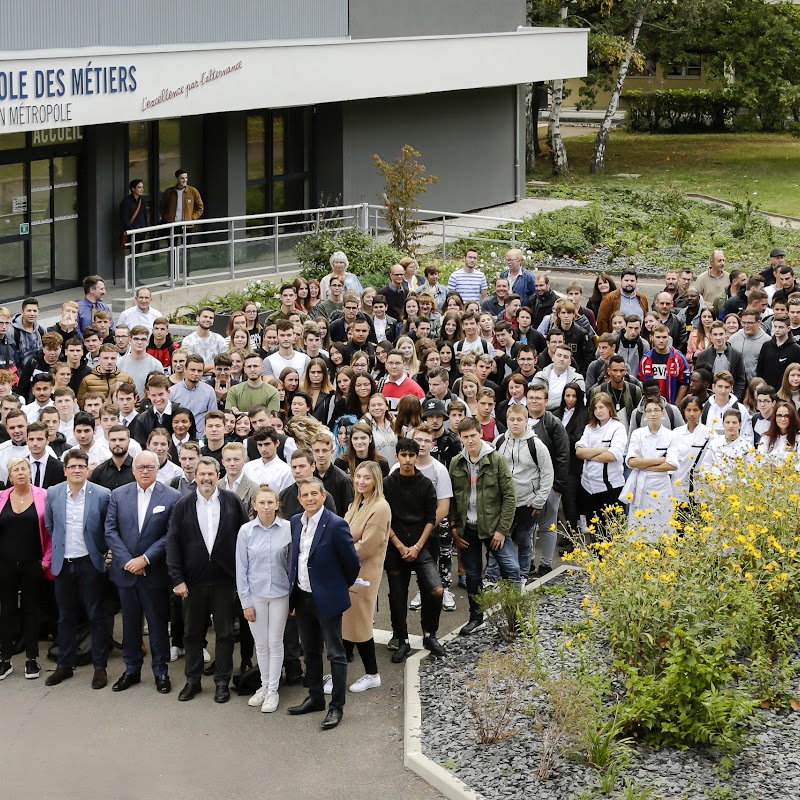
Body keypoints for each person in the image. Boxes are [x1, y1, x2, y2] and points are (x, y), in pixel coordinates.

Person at [167, 457, 249, 704]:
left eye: (210, 474)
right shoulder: (183, 505)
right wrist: (177, 579)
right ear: (195, 475)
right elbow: (173, 543)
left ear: (218, 474)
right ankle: (192, 681)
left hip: (225, 581)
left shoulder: (232, 501)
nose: (206, 478)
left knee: (224, 634)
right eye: (201, 474)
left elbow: (244, 538)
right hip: (193, 582)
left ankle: (222, 682)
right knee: (192, 632)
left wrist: (241, 578)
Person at [287, 477, 360, 730]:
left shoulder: (336, 524)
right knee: (310, 651)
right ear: (299, 499)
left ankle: (336, 707)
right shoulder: (295, 522)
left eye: (314, 494)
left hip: (327, 599)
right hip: (303, 597)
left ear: (323, 495)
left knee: (336, 654)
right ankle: (316, 697)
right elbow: (295, 560)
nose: (309, 498)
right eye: (305, 495)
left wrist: (336, 588)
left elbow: (352, 564)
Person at [104, 450, 180, 694]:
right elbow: (110, 531)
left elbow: (170, 534)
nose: (145, 471)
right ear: (133, 469)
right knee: (130, 624)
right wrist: (128, 561)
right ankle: (132, 669)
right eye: (141, 467)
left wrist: (145, 559)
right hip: (126, 572)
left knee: (157, 624)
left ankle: (160, 671)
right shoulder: (118, 495)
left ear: (158, 469)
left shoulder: (171, 496)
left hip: (154, 572)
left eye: (150, 467)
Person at [44, 449, 112, 689]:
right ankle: (65, 665)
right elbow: (51, 525)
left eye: (81, 466)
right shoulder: (53, 493)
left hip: (89, 563)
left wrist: (101, 551)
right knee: (65, 617)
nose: (76, 470)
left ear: (87, 469)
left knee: (95, 615)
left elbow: (107, 528)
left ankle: (100, 667)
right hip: (63, 563)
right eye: (72, 466)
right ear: (65, 470)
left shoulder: (102, 494)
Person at [449, 417, 518, 635]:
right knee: (472, 575)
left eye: (473, 435)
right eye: (465, 436)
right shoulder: (456, 462)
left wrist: (501, 530)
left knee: (512, 570)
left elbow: (509, 496)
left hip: (493, 528)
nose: (469, 440)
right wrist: (454, 528)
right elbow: (450, 497)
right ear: (460, 437)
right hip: (467, 529)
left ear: (480, 434)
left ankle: (513, 618)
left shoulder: (496, 460)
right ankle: (475, 617)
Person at [382, 438, 444, 661]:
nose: (407, 460)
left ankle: (430, 633)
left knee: (436, 590)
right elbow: (384, 519)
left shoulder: (426, 484)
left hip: (421, 546)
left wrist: (417, 547)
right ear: (397, 456)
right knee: (397, 595)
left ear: (417, 457)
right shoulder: (388, 484)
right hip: (395, 546)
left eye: (411, 455)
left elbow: (431, 518)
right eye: (403, 455)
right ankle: (402, 639)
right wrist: (399, 545)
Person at [236, 485, 292, 713]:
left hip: (280, 594)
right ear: (254, 505)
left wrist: (294, 599)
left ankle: (273, 690)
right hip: (256, 595)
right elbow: (241, 568)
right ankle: (264, 685)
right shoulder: (246, 531)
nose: (266, 507)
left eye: (271, 502)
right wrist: (245, 602)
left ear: (277, 505)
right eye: (262, 503)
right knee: (261, 644)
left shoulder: (288, 528)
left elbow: (292, 564)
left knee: (275, 642)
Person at [340, 461, 391, 692]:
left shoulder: (380, 507)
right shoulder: (356, 503)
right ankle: (339, 672)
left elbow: (367, 546)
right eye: (358, 476)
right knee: (349, 623)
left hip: (364, 573)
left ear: (376, 481)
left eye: (366, 478)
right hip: (350, 571)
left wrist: (337, 556)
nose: (361, 481)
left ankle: (373, 674)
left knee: (359, 624)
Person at [0, 457, 52, 680]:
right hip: (5, 563)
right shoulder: (2, 497)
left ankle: (32, 659)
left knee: (31, 610)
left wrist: (46, 562)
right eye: (15, 470)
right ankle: (5, 659)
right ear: (9, 476)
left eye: (24, 468)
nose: (20, 472)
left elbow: (51, 530)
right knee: (6, 610)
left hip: (33, 563)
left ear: (30, 472)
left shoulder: (44, 495)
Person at [490, 404, 554, 581]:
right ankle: (493, 576)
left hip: (527, 502)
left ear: (526, 421)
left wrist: (539, 500)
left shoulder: (536, 445)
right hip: (503, 502)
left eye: (519, 420)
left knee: (525, 540)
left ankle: (523, 575)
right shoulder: (499, 442)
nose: (515, 423)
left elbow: (548, 473)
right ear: (507, 420)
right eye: (512, 419)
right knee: (497, 539)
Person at [623, 400, 680, 539]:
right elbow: (631, 462)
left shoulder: (671, 435)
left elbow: (672, 465)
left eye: (656, 410)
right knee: (639, 531)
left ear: (663, 413)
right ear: (644, 415)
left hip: (662, 487)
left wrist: (643, 463)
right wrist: (660, 460)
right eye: (649, 411)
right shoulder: (638, 434)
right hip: (641, 488)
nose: (653, 414)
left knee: (663, 529)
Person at [575, 393, 627, 537]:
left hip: (610, 489)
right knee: (594, 533)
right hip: (588, 488)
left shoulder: (618, 428)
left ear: (610, 408)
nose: (598, 411)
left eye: (602, 407)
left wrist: (589, 454)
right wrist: (602, 450)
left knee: (611, 533)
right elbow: (579, 452)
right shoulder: (589, 428)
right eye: (595, 408)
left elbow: (612, 456)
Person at [638, 325, 690, 406]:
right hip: (650, 405)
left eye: (664, 337)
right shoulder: (645, 359)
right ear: (651, 337)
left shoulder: (678, 358)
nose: (661, 340)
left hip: (671, 404)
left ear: (668, 338)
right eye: (658, 337)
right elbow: (641, 382)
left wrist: (675, 405)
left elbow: (685, 383)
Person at [695, 322, 746, 400]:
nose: (718, 338)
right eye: (715, 334)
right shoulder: (703, 355)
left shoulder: (736, 355)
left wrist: (736, 398)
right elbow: (699, 380)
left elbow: (740, 380)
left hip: (730, 397)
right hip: (709, 398)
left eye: (721, 334)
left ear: (726, 335)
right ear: (710, 336)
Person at [757, 313, 800, 393]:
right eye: (775, 326)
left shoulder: (796, 349)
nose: (777, 329)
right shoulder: (766, 346)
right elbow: (760, 370)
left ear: (788, 329)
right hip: (768, 392)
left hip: (786, 393)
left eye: (781, 327)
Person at [596, 269, 648, 334]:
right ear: (621, 281)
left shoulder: (642, 298)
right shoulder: (610, 298)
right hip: (617, 340)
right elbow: (602, 322)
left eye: (632, 281)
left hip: (638, 339)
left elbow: (646, 319)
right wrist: (608, 340)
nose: (629, 283)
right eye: (626, 280)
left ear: (636, 282)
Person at [118, 325, 164, 398]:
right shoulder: (119, 363)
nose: (139, 342)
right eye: (136, 339)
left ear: (148, 342)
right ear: (130, 340)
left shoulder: (156, 365)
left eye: (143, 339)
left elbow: (161, 389)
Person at [242, 427, 293, 492]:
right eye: (260, 445)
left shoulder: (286, 471)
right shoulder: (247, 468)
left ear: (277, 443)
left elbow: (285, 498)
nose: (263, 449)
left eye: (267, 444)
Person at [181, 308, 227, 373]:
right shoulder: (188, 341)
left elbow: (225, 364)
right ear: (197, 318)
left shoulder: (219, 339)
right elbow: (191, 367)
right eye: (205, 317)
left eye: (211, 318)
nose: (208, 319)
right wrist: (215, 366)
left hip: (216, 379)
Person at [757, 401, 800, 467]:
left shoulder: (798, 438)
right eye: (779, 415)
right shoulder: (766, 437)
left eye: (787, 416)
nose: (783, 419)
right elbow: (760, 460)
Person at [221, 442, 258, 513]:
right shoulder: (215, 486)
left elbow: (252, 517)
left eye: (236, 459)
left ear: (244, 461)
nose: (232, 464)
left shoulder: (254, 489)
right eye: (228, 460)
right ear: (223, 462)